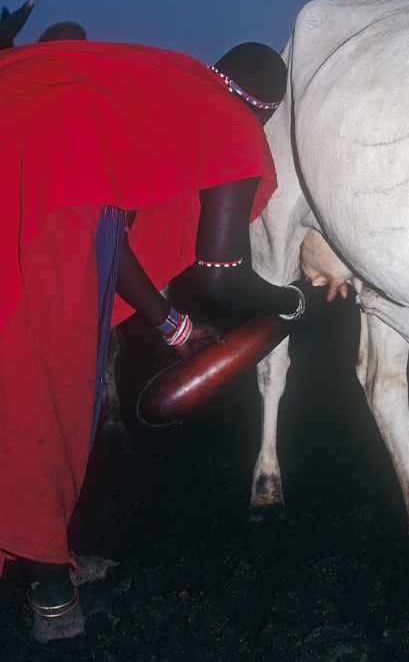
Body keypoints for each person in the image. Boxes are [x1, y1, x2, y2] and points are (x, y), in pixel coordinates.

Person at [0, 32, 326, 630]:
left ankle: (40, 550)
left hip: (34, 178)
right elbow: (223, 274)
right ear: (268, 109)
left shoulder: (164, 83)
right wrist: (293, 301)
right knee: (38, 390)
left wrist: (173, 326)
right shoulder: (231, 120)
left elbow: (105, 220)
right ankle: (50, 591)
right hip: (35, 203)